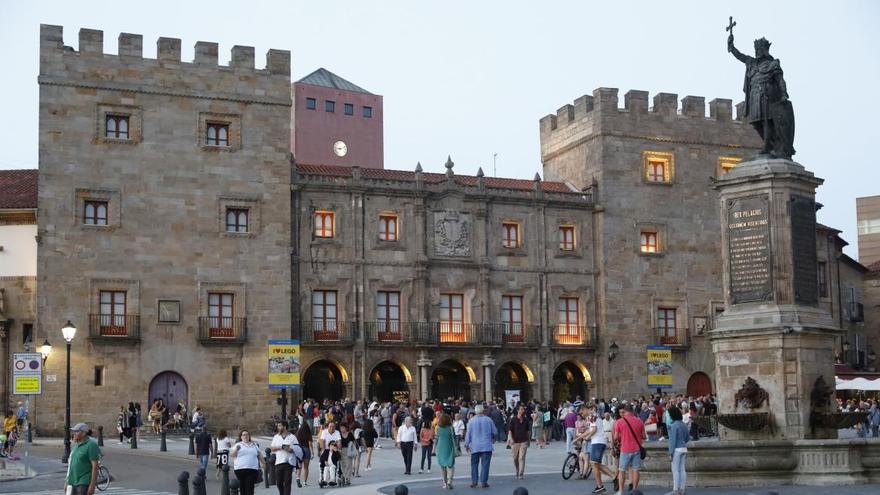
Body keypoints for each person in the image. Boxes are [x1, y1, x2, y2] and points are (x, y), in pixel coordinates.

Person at [613, 404, 646, 495]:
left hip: (625, 449)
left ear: (625, 411)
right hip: (636, 449)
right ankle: (634, 490)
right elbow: (644, 436)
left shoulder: (619, 422)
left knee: (622, 470)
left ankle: (621, 491)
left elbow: (616, 437)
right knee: (636, 470)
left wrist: (623, 435)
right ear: (632, 411)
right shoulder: (639, 421)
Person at [464, 404, 497, 488]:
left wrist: (466, 444)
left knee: (474, 464)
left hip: (475, 446)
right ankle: (483, 481)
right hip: (486, 445)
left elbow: (468, 434)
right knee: (485, 464)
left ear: (475, 411)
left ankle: (474, 481)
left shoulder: (471, 421)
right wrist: (493, 438)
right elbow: (495, 432)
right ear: (483, 411)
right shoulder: (488, 420)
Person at [65, 423, 101, 495]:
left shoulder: (91, 445)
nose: (74, 434)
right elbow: (71, 465)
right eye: (74, 431)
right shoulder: (76, 445)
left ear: (84, 433)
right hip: (73, 481)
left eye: (76, 431)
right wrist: (67, 481)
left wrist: (92, 485)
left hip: (84, 482)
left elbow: (95, 466)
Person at [230, 429, 265, 495]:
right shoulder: (238, 445)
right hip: (240, 470)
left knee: (249, 487)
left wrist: (264, 463)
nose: (245, 436)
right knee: (242, 488)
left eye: (247, 434)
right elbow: (232, 455)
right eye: (243, 435)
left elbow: (259, 454)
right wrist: (237, 450)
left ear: (249, 436)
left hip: (252, 469)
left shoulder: (254, 445)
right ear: (241, 437)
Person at [667, 406, 689, 495]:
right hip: (684, 448)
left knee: (675, 470)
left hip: (676, 449)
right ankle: (682, 489)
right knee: (682, 469)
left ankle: (675, 490)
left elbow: (672, 441)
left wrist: (670, 453)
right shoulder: (683, 424)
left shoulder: (673, 425)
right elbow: (687, 438)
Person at [270, 421, 295, 495]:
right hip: (278, 462)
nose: (278, 427)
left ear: (285, 427)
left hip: (288, 462)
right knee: (279, 483)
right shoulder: (276, 437)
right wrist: (282, 447)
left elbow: (292, 449)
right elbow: (272, 448)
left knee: (287, 482)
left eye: (280, 426)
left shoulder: (292, 437)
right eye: (278, 426)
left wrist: (282, 447)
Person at [507, 405, 531, 480]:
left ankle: (521, 474)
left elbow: (528, 431)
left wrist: (529, 440)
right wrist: (511, 439)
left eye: (523, 409)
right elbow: (510, 430)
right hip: (515, 441)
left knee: (521, 458)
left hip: (524, 441)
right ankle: (517, 470)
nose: (522, 410)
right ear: (517, 410)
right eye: (521, 409)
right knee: (515, 458)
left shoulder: (526, 420)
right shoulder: (513, 419)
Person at [435, 413, 456, 490]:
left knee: (443, 466)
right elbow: (454, 437)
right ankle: (450, 481)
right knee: (450, 465)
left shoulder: (438, 428)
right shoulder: (451, 428)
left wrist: (434, 449)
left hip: (441, 448)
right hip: (449, 447)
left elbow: (436, 439)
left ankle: (445, 483)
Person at [295, 422, 313, 487]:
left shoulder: (298, 433)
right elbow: (310, 444)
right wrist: (312, 452)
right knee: (306, 467)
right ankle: (305, 482)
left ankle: (298, 478)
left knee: (299, 466)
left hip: (299, 450)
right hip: (306, 450)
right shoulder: (308, 433)